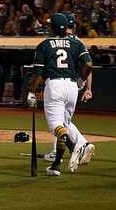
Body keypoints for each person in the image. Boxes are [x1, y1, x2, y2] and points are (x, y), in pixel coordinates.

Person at [27, 13, 95, 176]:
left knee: (55, 126)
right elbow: (89, 64)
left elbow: (38, 73)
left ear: (52, 27)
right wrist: (81, 80)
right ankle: (56, 166)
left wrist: (31, 91)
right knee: (64, 124)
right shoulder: (76, 43)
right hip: (72, 87)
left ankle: (75, 147)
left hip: (55, 85)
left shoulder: (44, 44)